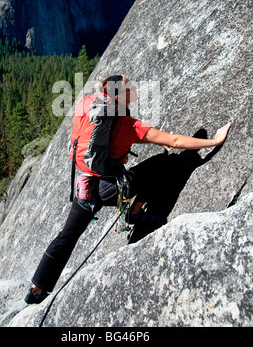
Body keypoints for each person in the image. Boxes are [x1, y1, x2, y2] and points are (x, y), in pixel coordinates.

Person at [25, 75, 231, 304]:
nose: (134, 88)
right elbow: (173, 141)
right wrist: (213, 141)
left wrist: (153, 139)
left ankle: (38, 286)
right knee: (162, 164)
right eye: (129, 87)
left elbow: (106, 139)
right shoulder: (129, 124)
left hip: (84, 186)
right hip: (111, 189)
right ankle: (134, 212)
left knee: (67, 235)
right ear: (119, 96)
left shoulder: (89, 107)